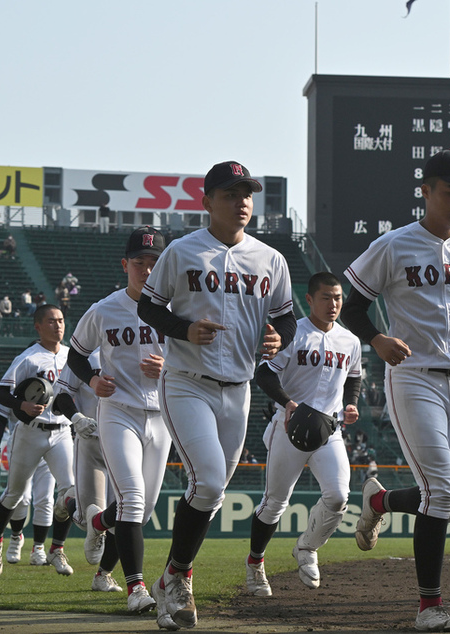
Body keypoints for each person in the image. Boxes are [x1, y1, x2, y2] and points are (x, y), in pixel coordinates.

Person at [341, 148, 450, 632]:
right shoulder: (394, 245)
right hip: (414, 378)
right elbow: (354, 308)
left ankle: (379, 502)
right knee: (439, 493)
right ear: (427, 191)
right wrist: (375, 337)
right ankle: (429, 607)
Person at [137, 161, 295, 630]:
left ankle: (169, 577)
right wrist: (183, 328)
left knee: (214, 492)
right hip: (186, 380)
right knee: (206, 482)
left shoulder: (271, 258)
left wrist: (278, 339)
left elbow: (286, 317)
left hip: (239, 389)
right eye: (230, 194)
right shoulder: (183, 251)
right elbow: (148, 305)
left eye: (247, 193)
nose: (242, 201)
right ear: (207, 202)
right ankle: (180, 576)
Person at [68, 226, 173, 614]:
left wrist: (170, 364)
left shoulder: (177, 310)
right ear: (125, 264)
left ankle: (99, 534)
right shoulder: (104, 309)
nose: (147, 270)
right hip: (119, 412)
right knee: (131, 498)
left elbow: (199, 356)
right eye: (140, 262)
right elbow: (76, 355)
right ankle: (136, 589)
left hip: (163, 415)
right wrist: (93, 379)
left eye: (154, 263)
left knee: (143, 509)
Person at [245, 272, 362, 595]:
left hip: (329, 429)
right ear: (309, 299)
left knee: (339, 496)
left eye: (338, 298)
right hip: (289, 426)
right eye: (325, 297)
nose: (333, 304)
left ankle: (307, 547)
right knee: (274, 504)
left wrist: (350, 404)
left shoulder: (350, 340)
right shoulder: (294, 333)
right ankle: (255, 564)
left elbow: (354, 377)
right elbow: (265, 374)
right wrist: (288, 402)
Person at [0, 304, 78, 578]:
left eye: (61, 320)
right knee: (15, 494)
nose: (58, 325)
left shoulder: (72, 356)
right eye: (51, 321)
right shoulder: (29, 358)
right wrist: (21, 404)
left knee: (69, 492)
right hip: (30, 431)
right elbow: (0, 394)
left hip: (62, 430)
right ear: (38, 326)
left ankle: (57, 549)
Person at [51, 349, 125, 596]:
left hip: (126, 440)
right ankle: (67, 500)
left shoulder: (135, 348)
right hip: (91, 437)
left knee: (124, 514)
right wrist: (77, 418)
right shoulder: (84, 356)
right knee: (84, 520)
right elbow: (61, 395)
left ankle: (103, 576)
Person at [0, 403, 57, 568]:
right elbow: (0, 416)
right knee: (22, 497)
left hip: (52, 441)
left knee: (45, 499)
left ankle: (38, 548)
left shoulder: (59, 378)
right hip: (22, 444)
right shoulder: (17, 376)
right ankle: (16, 536)